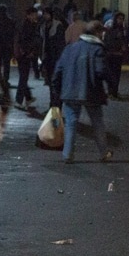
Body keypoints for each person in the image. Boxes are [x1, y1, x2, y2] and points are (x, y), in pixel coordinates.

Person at [50, 20, 113, 164]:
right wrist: (111, 84)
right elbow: (101, 71)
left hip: (70, 92)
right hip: (91, 92)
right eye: (101, 32)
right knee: (97, 122)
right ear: (96, 33)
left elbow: (58, 70)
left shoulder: (70, 48)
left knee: (71, 123)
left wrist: (57, 89)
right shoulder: (97, 49)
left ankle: (68, 154)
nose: (102, 35)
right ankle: (104, 152)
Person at [14, 6, 41, 110]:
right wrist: (28, 52)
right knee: (23, 77)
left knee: (23, 76)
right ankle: (18, 100)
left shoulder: (25, 24)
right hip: (24, 54)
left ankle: (28, 97)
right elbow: (26, 40)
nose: (35, 16)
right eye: (34, 15)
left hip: (22, 53)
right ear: (29, 15)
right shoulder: (28, 25)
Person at [102, 12, 127, 99]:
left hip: (118, 54)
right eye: (119, 18)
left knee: (117, 74)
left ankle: (114, 91)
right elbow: (107, 41)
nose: (121, 20)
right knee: (111, 73)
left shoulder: (121, 29)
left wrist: (123, 46)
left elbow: (123, 40)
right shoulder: (111, 29)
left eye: (122, 19)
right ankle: (111, 92)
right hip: (111, 54)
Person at [0, 4, 16, 86]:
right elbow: (13, 34)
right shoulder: (11, 22)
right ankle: (6, 79)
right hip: (8, 45)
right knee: (6, 64)